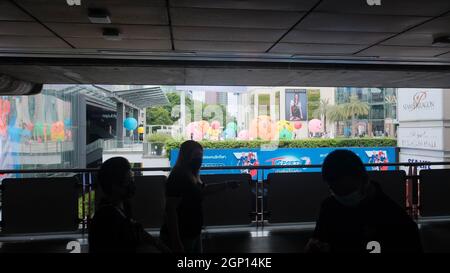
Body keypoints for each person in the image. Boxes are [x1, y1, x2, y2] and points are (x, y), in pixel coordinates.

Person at [305, 150, 422, 253]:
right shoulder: (329, 207)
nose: (342, 196)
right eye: (335, 191)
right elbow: (318, 240)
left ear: (364, 180)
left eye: (347, 190)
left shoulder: (395, 219)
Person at [160, 140, 239, 253]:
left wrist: (226, 185)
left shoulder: (191, 174)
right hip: (183, 234)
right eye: (196, 155)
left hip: (192, 232)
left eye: (200, 155)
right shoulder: (178, 176)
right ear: (187, 156)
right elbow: (171, 210)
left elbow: (202, 190)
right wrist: (176, 240)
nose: (199, 159)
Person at [89, 157, 169, 253]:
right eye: (128, 180)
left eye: (131, 179)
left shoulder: (120, 207)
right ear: (114, 186)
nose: (132, 184)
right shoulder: (108, 219)